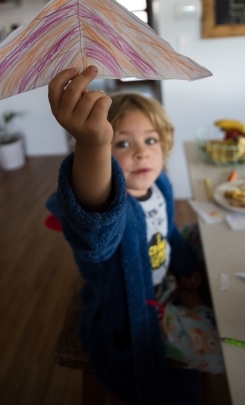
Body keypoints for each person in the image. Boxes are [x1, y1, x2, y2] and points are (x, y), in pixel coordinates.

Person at [46, 65, 223, 405]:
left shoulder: (161, 185)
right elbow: (95, 234)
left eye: (151, 140)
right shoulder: (115, 205)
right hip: (131, 308)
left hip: (163, 280)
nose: (141, 152)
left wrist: (184, 266)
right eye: (122, 142)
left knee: (204, 237)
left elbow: (168, 231)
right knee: (218, 345)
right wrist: (93, 144)